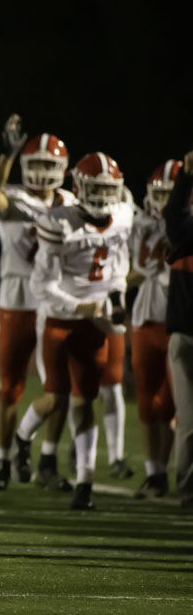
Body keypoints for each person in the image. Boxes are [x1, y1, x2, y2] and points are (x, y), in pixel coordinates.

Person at [0, 115, 77, 490]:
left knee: (59, 384)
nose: (40, 172)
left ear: (64, 170)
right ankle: (2, 462)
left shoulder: (72, 202)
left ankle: (48, 459)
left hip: (57, 298)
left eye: (48, 165)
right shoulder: (15, 196)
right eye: (33, 164)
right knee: (10, 386)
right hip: (18, 297)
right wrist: (7, 154)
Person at [32, 152, 133, 510]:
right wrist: (80, 306)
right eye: (96, 188)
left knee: (84, 401)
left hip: (95, 322)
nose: (104, 197)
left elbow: (120, 268)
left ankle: (85, 482)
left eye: (109, 189)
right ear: (79, 187)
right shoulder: (59, 221)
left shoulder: (122, 216)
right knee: (56, 396)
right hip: (60, 317)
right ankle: (23, 442)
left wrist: (116, 298)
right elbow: (41, 286)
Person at [129, 160, 179, 498]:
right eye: (160, 195)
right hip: (147, 316)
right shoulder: (140, 222)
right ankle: (155, 473)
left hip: (181, 318)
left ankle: (171, 471)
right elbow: (129, 270)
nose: (163, 202)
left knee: (175, 403)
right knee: (148, 399)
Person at [163, 150, 193, 508]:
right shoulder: (186, 233)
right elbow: (174, 218)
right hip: (185, 334)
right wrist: (185, 177)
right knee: (187, 418)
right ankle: (185, 487)